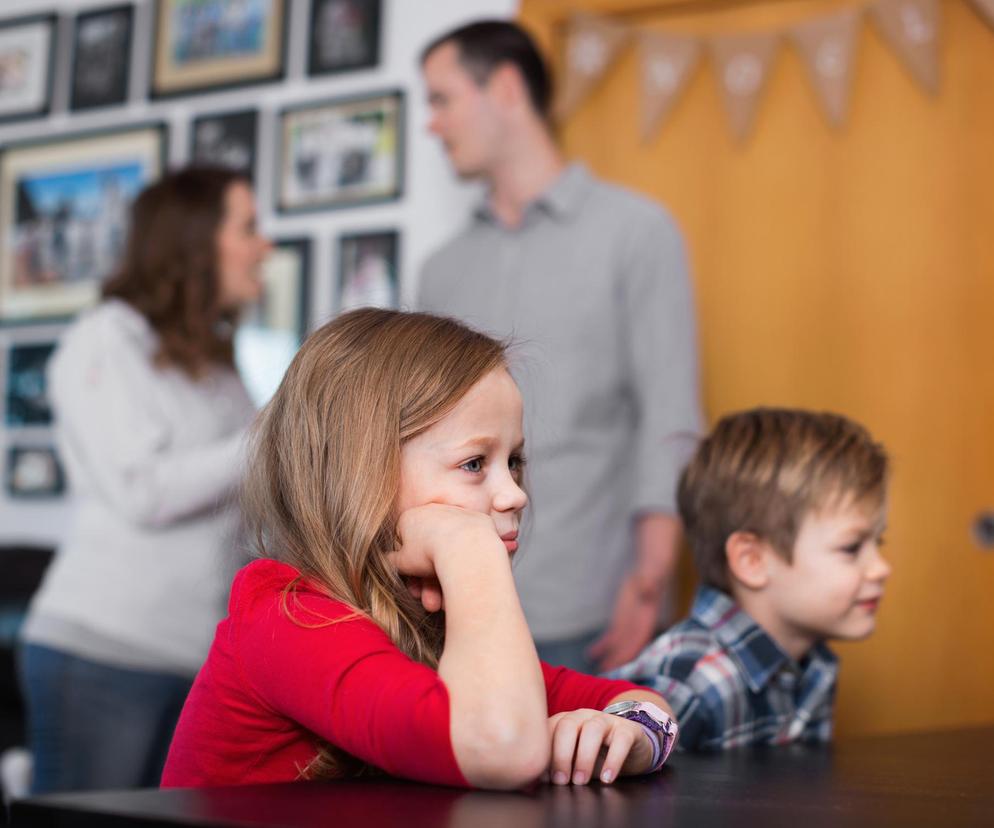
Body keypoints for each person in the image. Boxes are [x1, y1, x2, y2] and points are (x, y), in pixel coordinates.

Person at [161, 309, 678, 790]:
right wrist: (468, 549)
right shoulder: (285, 619)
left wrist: (627, 737)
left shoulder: (425, 629)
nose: (515, 493)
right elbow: (503, 749)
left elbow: (647, 706)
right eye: (475, 463)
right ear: (362, 475)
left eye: (515, 461)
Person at [417, 21, 702, 674]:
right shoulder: (442, 270)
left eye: (442, 99)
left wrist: (651, 577)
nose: (431, 124)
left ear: (507, 88)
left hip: (596, 612)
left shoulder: (636, 232)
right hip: (459, 615)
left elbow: (671, 416)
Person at [18, 166, 271, 793]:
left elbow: (244, 498)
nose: (264, 245)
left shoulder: (216, 366)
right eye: (249, 227)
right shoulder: (103, 340)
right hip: (100, 654)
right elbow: (145, 489)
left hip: (192, 660)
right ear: (194, 241)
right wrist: (272, 434)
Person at [608, 408, 892, 750]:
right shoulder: (688, 680)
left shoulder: (812, 662)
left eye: (878, 543)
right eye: (851, 548)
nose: (880, 568)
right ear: (752, 561)